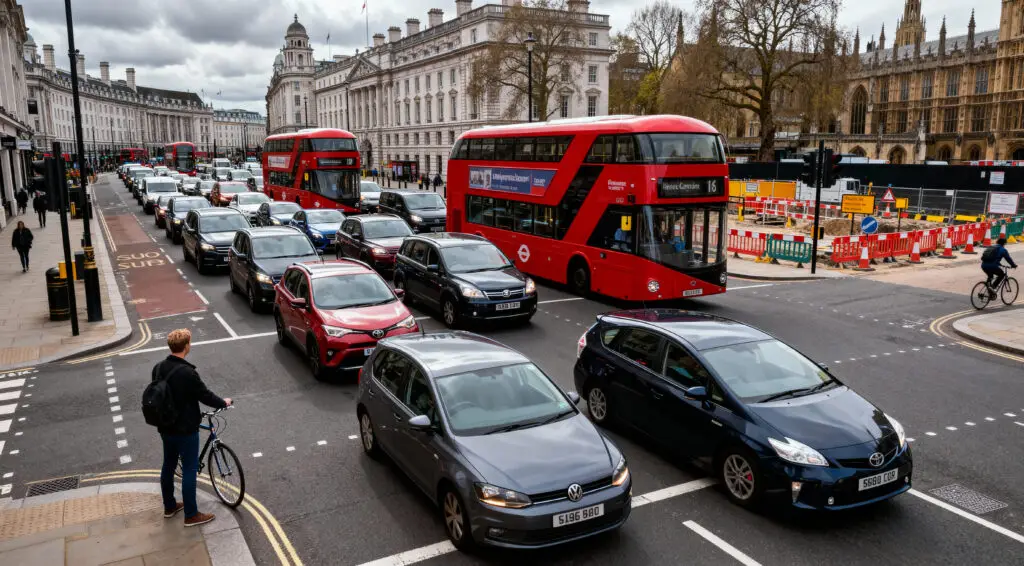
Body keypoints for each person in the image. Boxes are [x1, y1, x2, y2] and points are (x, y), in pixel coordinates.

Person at [153, 329, 232, 527]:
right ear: (186, 346)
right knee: (189, 469)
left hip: (165, 426)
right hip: (185, 429)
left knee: (168, 465)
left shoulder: (158, 368)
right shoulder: (188, 373)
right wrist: (224, 402)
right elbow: (204, 395)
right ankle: (191, 514)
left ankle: (170, 506)